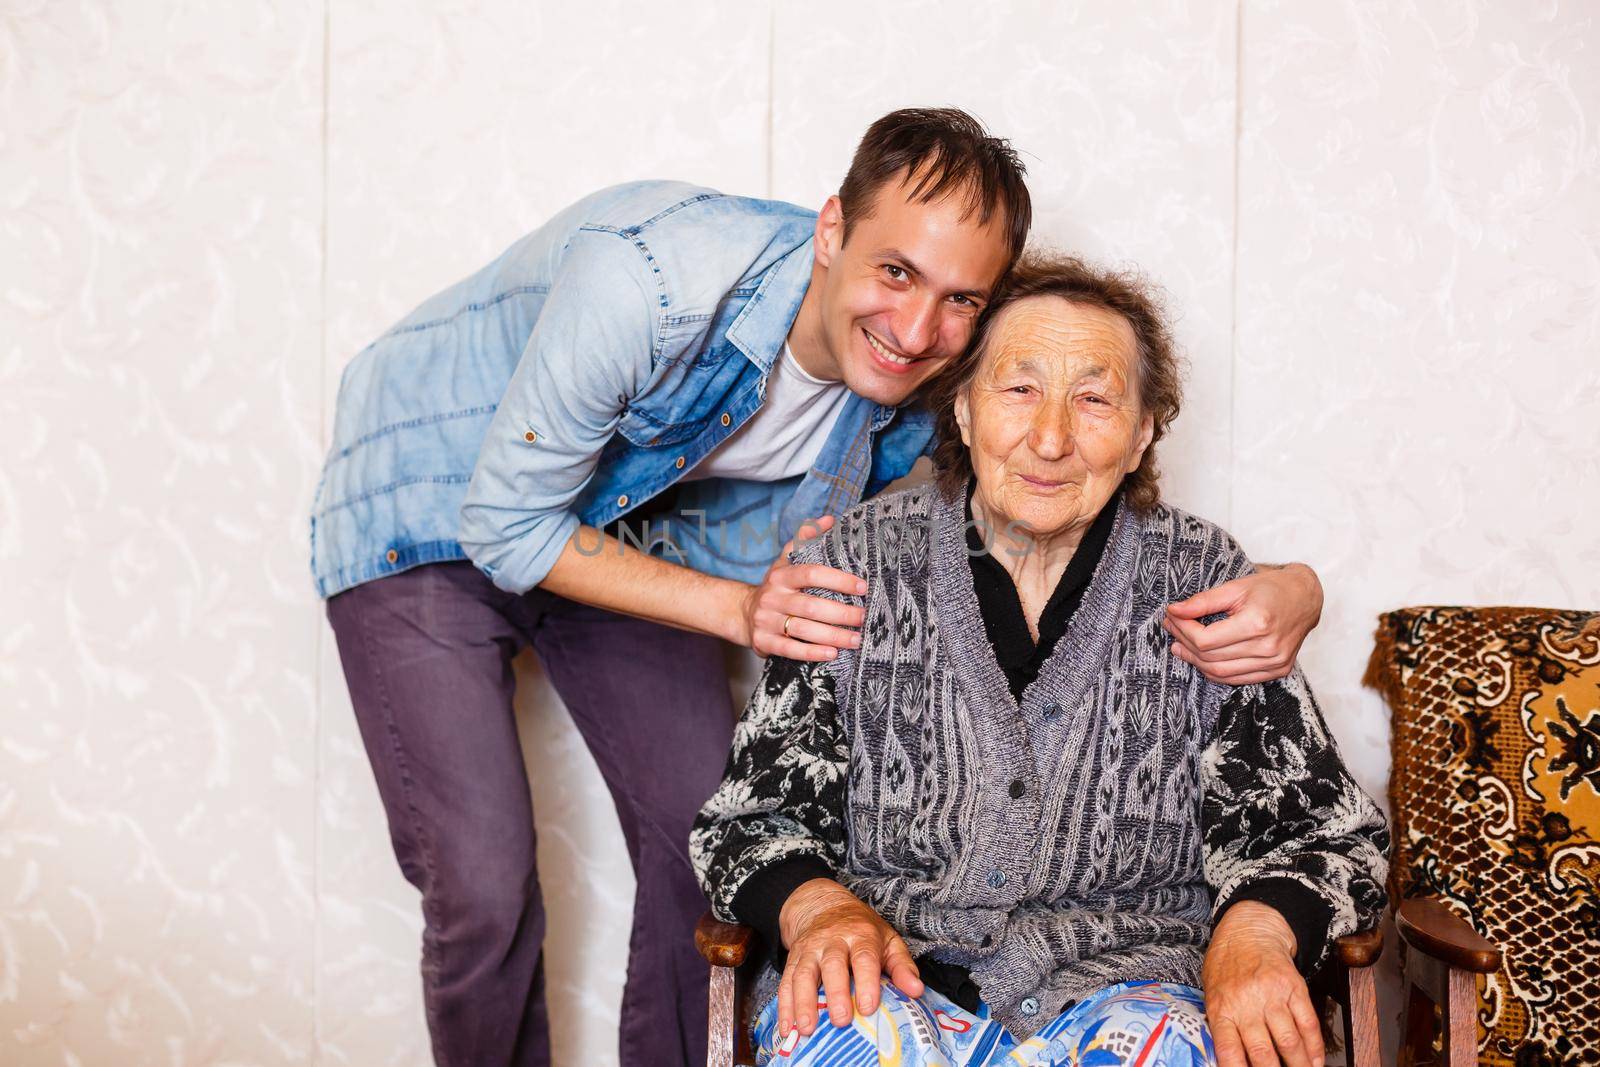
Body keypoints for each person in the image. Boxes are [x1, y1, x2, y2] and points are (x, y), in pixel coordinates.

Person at [311, 110, 1325, 1067]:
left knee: (689, 838)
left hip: (627, 532)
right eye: (895, 270)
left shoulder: (922, 393)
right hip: (433, 514)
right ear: (832, 228)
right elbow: (505, 523)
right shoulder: (651, 278)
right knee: (482, 879)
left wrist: (1293, 583)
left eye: (961, 301)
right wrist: (739, 609)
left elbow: (995, 536)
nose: (918, 325)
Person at [690, 254, 1389, 1067]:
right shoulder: (858, 565)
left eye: (1094, 399)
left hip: (1132, 988)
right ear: (960, 407)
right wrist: (816, 908)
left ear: (1142, 434)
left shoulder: (1202, 578)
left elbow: (1325, 832)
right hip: (889, 977)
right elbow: (748, 821)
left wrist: (1256, 932)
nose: (1051, 437)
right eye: (1018, 389)